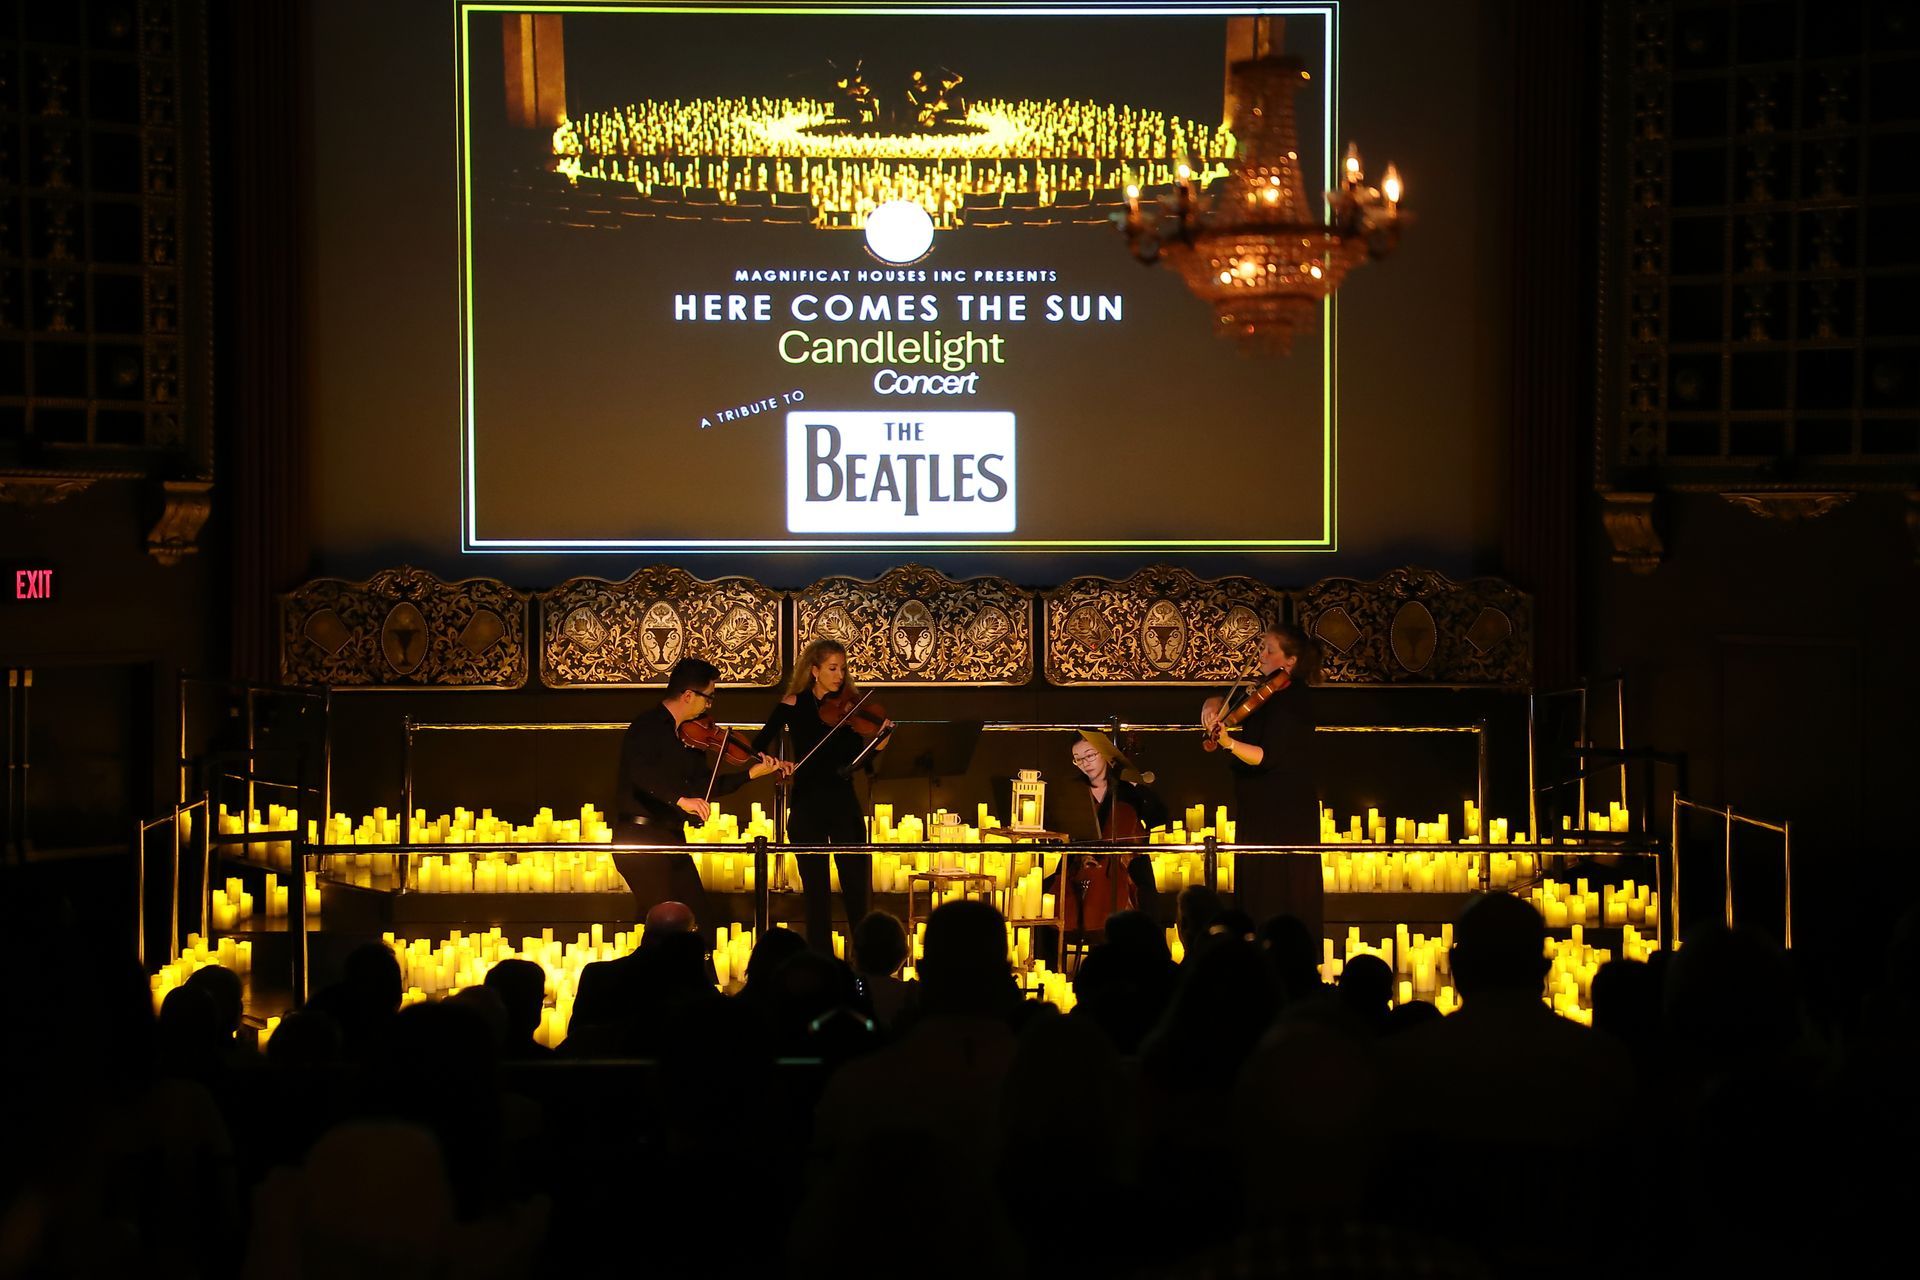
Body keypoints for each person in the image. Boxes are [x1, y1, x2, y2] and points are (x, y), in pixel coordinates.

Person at [612, 657, 782, 924]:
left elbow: (704, 787)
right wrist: (681, 800)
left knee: (700, 919)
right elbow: (640, 773)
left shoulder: (690, 739)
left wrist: (750, 774)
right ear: (689, 695)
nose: (710, 705)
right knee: (664, 921)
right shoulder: (648, 725)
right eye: (709, 697)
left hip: (671, 838)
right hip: (639, 838)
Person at [753, 639, 891, 955]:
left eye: (842, 668)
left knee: (856, 889)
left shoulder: (853, 709)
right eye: (832, 668)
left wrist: (878, 745)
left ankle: (866, 961)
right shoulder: (793, 703)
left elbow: (857, 762)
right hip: (807, 806)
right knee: (816, 894)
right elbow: (759, 744)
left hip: (844, 804)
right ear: (814, 671)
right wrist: (777, 763)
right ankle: (821, 962)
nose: (840, 675)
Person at [1200, 624, 1323, 934]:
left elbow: (1265, 757)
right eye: (1261, 649)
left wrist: (1228, 743)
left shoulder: (1294, 702)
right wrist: (1212, 707)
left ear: (1291, 661)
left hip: (1283, 811)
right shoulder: (1266, 691)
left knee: (1278, 889)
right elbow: (1224, 704)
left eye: (1269, 650)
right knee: (1257, 886)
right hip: (1259, 807)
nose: (1261, 656)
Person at [1063, 735, 1166, 929]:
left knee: (1144, 906)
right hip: (1082, 863)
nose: (1085, 763)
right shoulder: (1074, 789)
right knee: (1049, 895)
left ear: (1104, 754)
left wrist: (1135, 782)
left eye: (1090, 755)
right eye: (1078, 759)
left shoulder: (1128, 789)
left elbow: (1158, 816)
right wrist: (1080, 853)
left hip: (1128, 870)